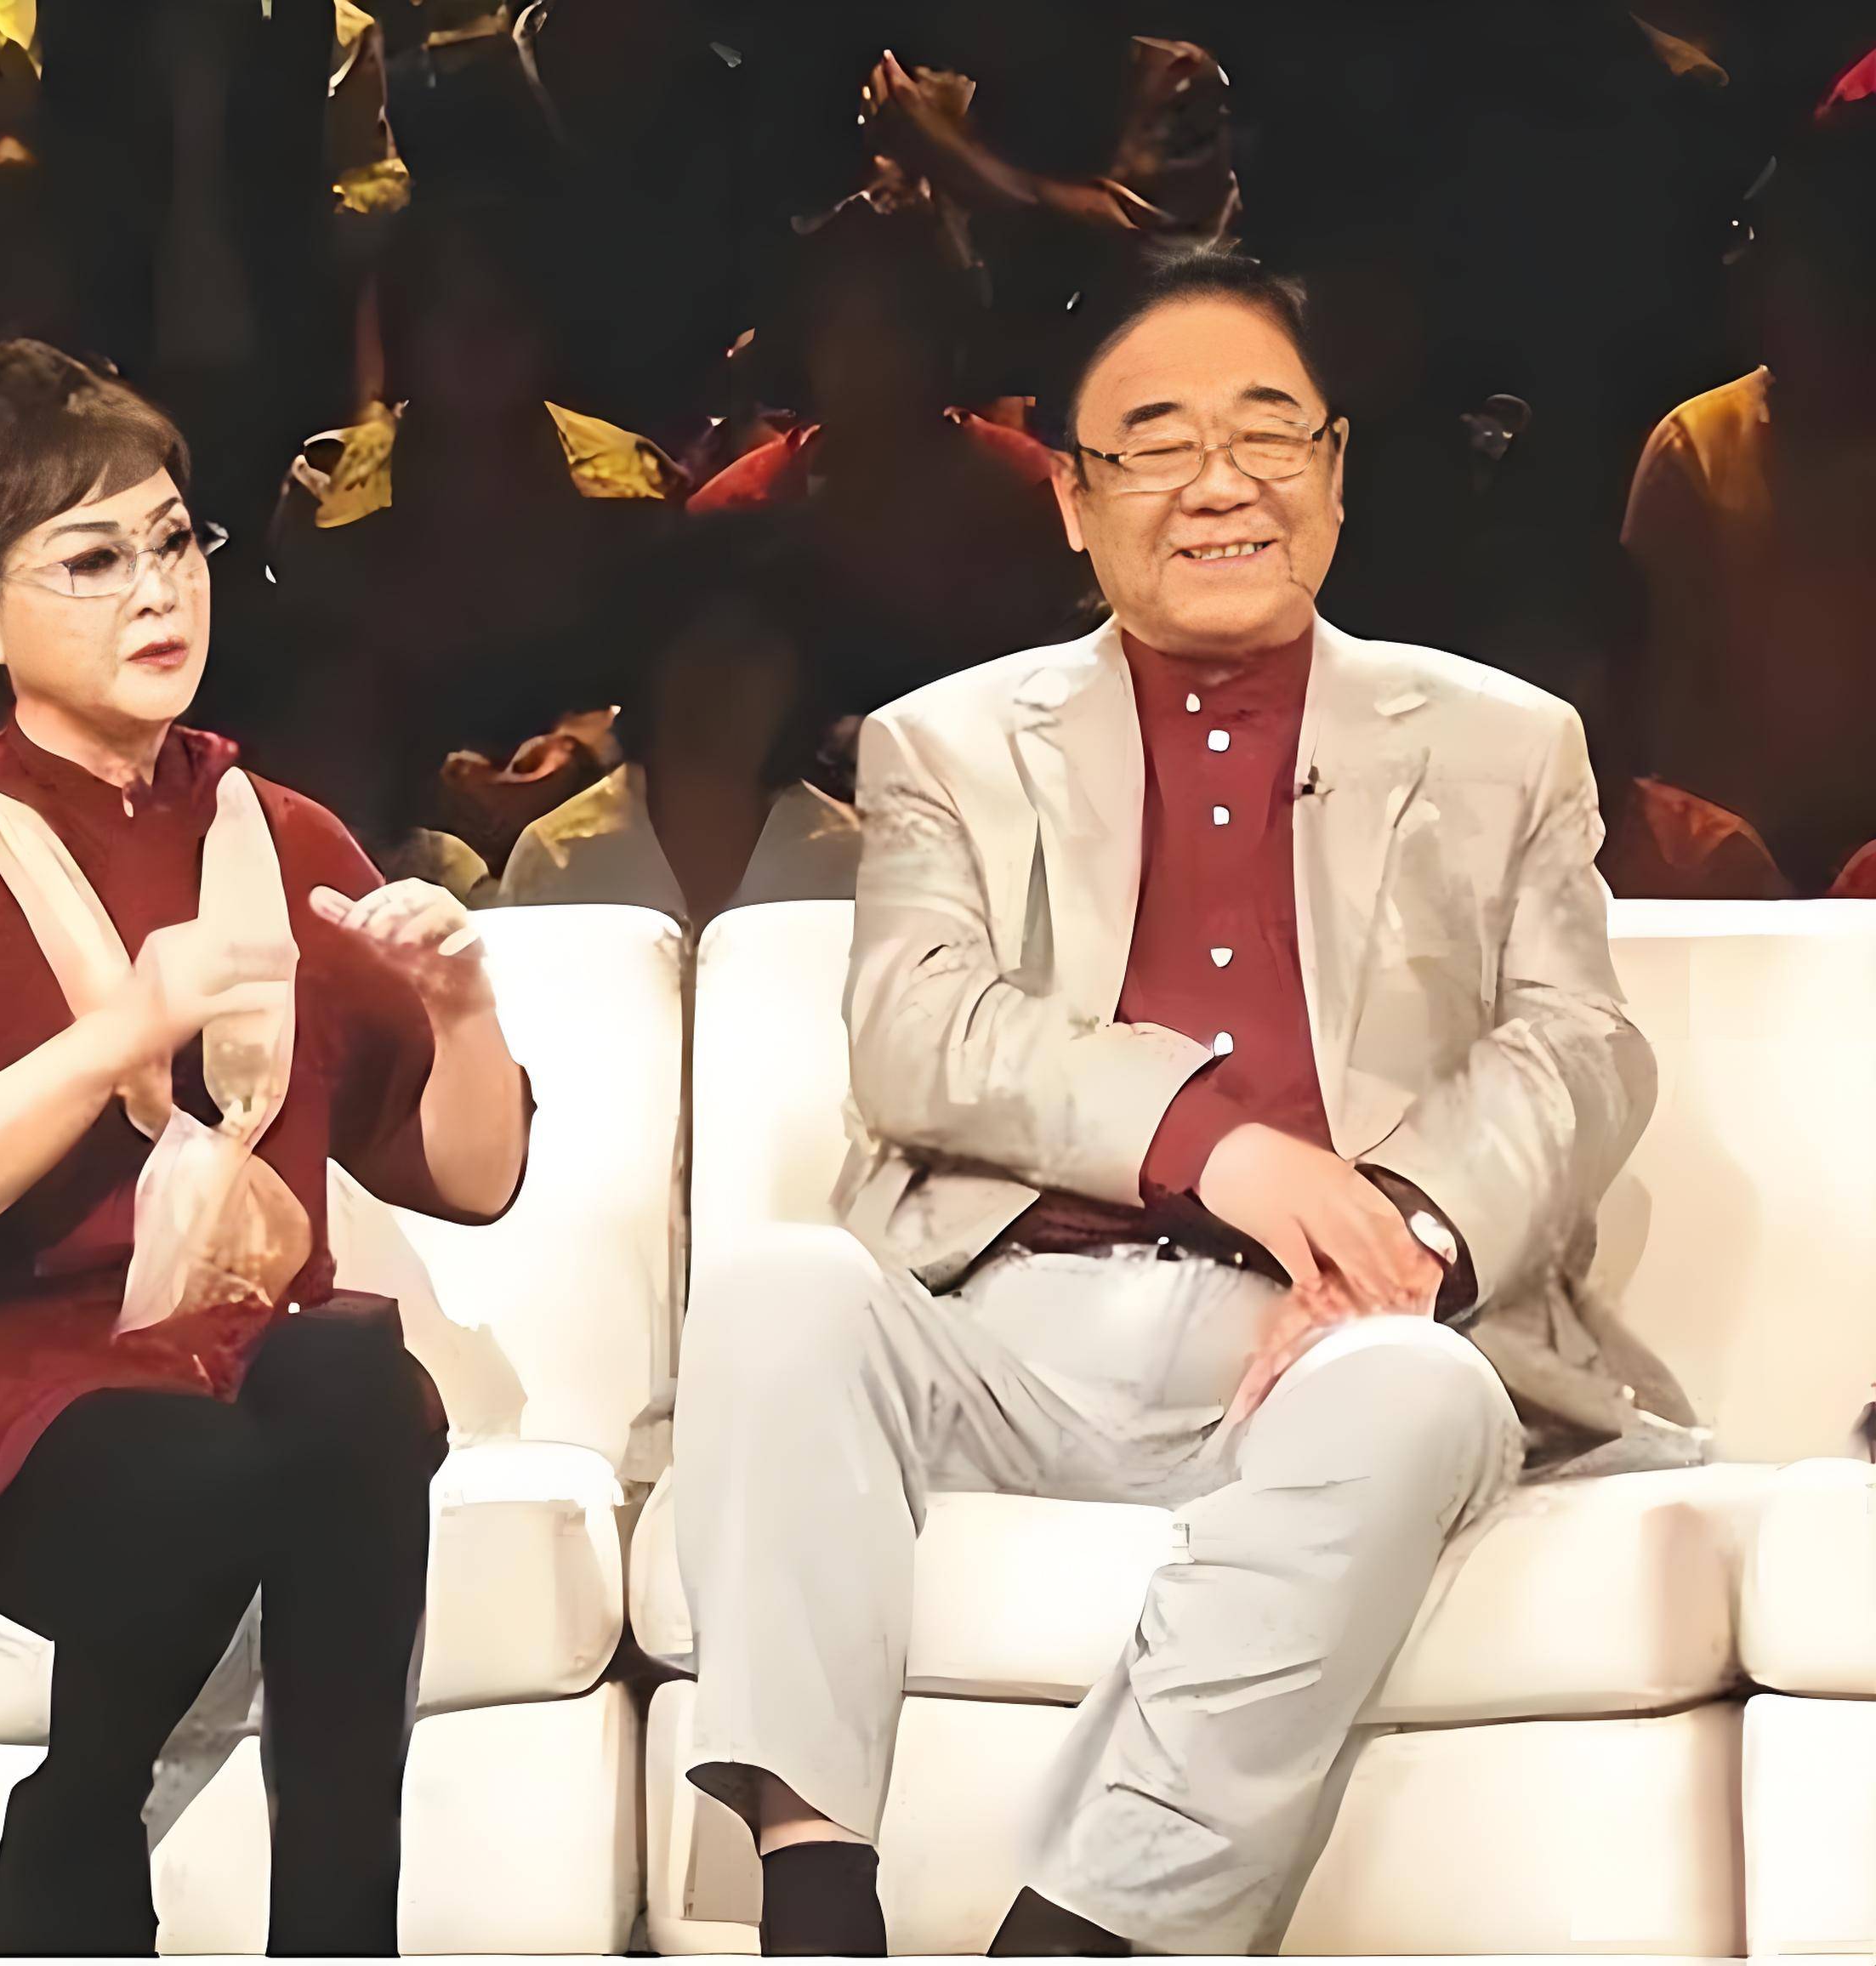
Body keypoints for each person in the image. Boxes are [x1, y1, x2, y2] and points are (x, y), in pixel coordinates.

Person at [671, 246, 1692, 1958]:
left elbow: (1577, 1045)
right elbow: (917, 1026)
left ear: (1336, 472)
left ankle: (1075, 1936)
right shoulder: (948, 745)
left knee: (1415, 1395)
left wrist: (1403, 1233)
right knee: (780, 1291)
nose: (1220, 483)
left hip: (1326, 1344)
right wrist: (1218, 1148)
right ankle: (817, 1902)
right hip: (1004, 1325)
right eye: (1155, 443)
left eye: (1266, 432)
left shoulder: (1504, 744)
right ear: (1074, 501)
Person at [0, 342, 531, 1956]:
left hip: (240, 1358)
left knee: (356, 1378)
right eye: (91, 560)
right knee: (234, 1470)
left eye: (172, 540)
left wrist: (463, 1008)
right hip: (9, 1382)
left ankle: (333, 1935)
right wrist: (119, 1034)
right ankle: (80, 1825)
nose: (158, 591)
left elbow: (474, 1178)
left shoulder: (280, 833)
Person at [1620, 87, 1876, 894]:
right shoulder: (1698, 444)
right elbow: (1662, 717)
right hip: (1731, 880)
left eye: (1776, 244)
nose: (1743, 266)